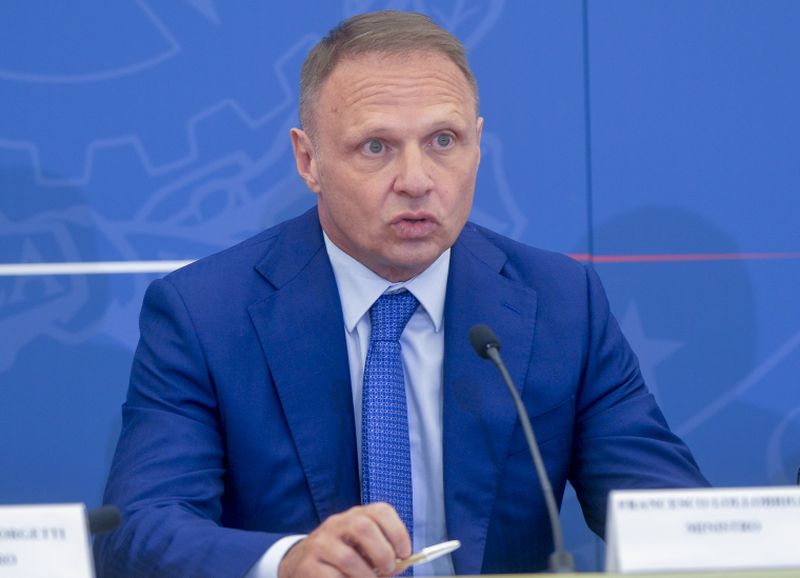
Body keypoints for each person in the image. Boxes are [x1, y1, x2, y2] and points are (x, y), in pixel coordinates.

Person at [94, 10, 708, 578]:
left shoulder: (561, 303)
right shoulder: (205, 314)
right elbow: (139, 528)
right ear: (308, 160)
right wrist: (287, 562)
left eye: (443, 141)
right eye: (376, 146)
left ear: (477, 144)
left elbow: (668, 511)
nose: (416, 180)